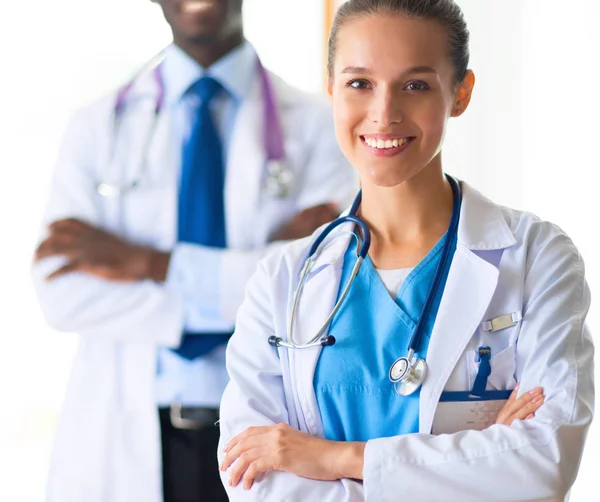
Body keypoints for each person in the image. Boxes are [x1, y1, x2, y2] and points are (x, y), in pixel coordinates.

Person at [217, 0, 594, 500]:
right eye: (359, 84)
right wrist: (475, 460)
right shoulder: (282, 280)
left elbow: (541, 464)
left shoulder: (538, 259)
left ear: (460, 94)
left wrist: (333, 458)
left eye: (415, 85)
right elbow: (254, 478)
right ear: (331, 90)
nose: (384, 113)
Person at [31, 1, 357, 501]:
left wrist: (145, 263)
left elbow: (326, 288)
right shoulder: (97, 127)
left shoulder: (319, 126)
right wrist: (265, 272)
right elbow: (62, 293)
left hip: (269, 436)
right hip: (130, 436)